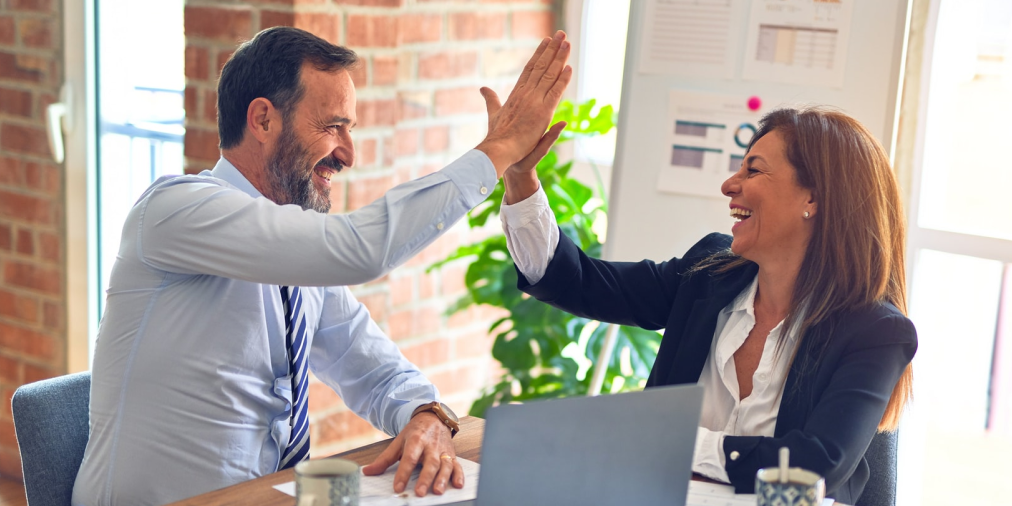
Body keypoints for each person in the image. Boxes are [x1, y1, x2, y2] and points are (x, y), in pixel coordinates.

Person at [72, 26, 572, 506]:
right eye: (333, 126)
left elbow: (373, 369)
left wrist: (426, 413)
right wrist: (498, 150)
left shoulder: (295, 254)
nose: (348, 153)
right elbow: (359, 249)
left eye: (349, 129)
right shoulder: (176, 210)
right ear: (263, 119)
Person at [497, 107, 916, 504]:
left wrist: (671, 442)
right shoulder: (708, 274)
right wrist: (520, 176)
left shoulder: (875, 332)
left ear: (814, 199)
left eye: (753, 170)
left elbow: (813, 467)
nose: (729, 185)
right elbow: (579, 283)